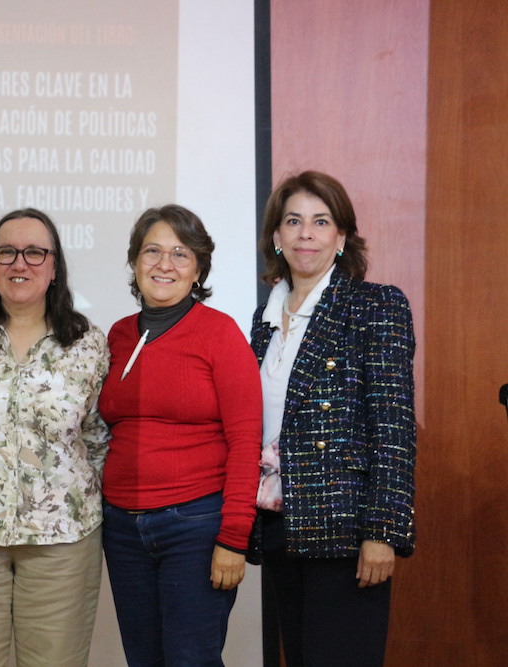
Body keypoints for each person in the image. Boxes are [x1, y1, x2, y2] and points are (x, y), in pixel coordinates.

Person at [0, 208, 110, 667]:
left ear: (54, 266)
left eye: (34, 253)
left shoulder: (87, 342)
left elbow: (97, 435)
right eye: (6, 252)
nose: (19, 263)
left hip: (62, 538)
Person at [249, 171, 416, 666]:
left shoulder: (375, 305)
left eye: (321, 222)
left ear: (341, 237)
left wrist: (382, 532)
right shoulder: (262, 321)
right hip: (280, 524)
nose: (306, 234)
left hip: (346, 532)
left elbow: (394, 429)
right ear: (276, 236)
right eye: (293, 221)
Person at [98, 205, 262, 666]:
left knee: (191, 660)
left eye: (180, 253)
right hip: (123, 530)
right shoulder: (117, 336)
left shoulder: (220, 333)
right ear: (135, 262)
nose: (164, 264)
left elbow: (246, 441)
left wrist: (233, 537)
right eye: (152, 251)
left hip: (195, 527)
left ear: (198, 269)